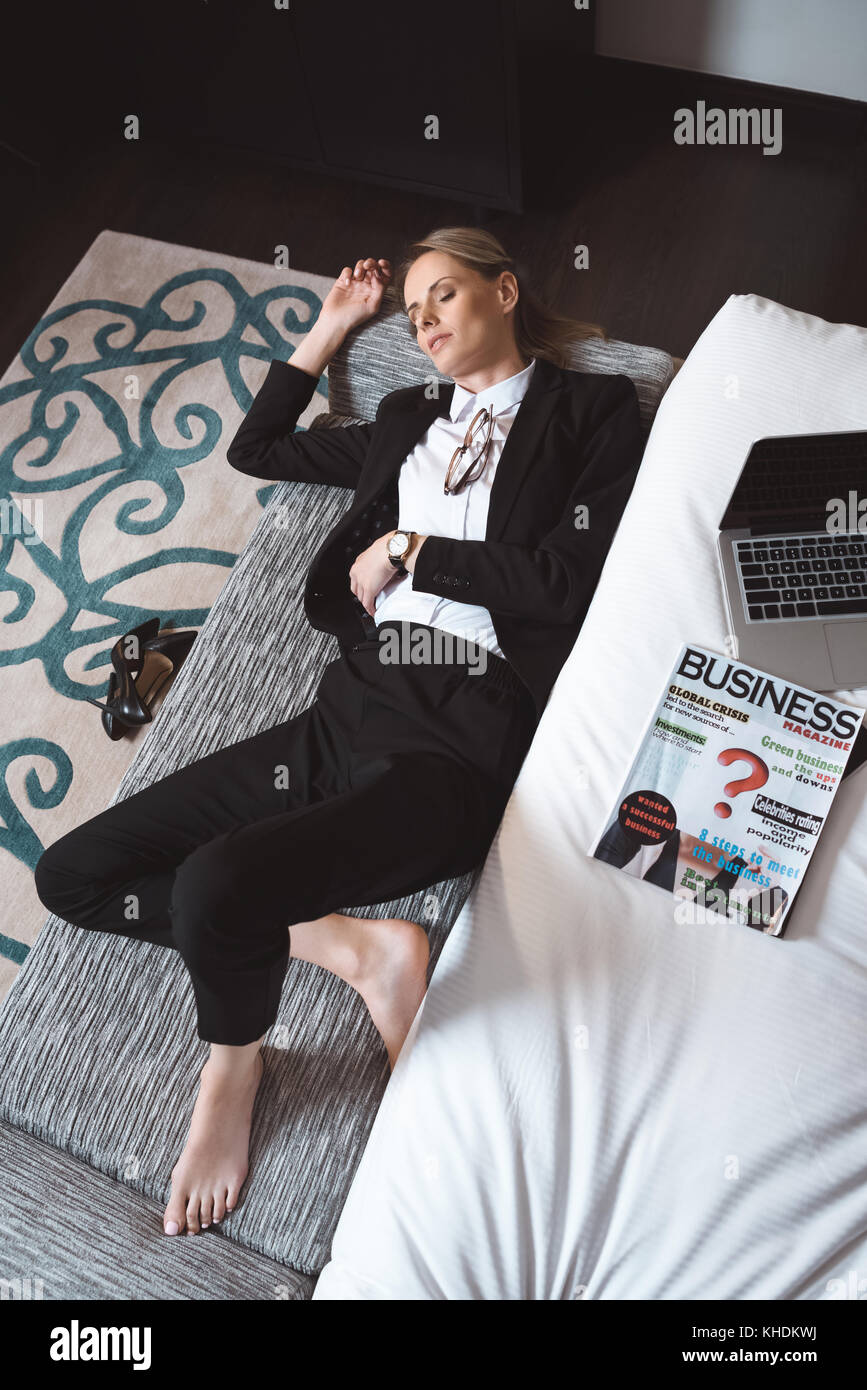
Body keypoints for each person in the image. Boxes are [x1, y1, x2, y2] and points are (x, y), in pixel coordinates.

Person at [33, 226, 644, 1237]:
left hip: (461, 725)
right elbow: (257, 449)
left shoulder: (592, 412)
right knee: (75, 876)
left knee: (214, 885)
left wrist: (414, 545)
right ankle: (359, 948)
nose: (428, 320)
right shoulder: (408, 419)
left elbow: (563, 585)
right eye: (413, 311)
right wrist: (327, 330)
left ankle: (234, 1062)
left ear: (505, 290)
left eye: (445, 294)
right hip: (349, 705)